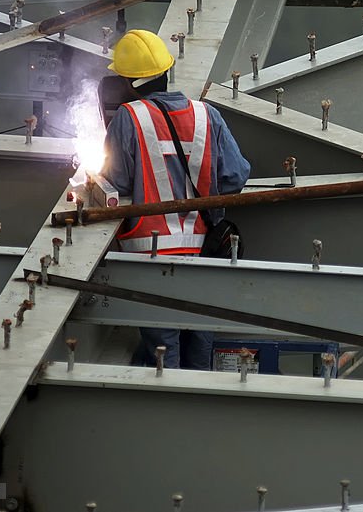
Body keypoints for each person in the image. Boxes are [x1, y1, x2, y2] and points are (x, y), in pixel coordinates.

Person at [100, 29, 251, 370]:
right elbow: (235, 176)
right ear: (167, 72)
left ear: (128, 82)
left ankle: (165, 413)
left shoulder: (129, 116)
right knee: (200, 340)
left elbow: (117, 182)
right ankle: (198, 414)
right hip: (204, 249)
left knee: (161, 355)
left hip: (150, 255)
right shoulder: (206, 115)